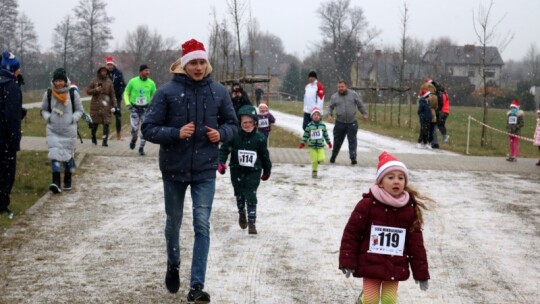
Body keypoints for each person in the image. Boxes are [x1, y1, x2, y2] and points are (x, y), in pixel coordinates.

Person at [141, 38, 238, 302]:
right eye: (193, 62)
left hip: (205, 169)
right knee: (173, 223)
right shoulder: (166, 92)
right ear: (184, 65)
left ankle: (197, 286)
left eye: (202, 62)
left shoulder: (218, 91)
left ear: (207, 64)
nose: (198, 67)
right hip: (174, 169)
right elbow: (148, 128)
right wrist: (175, 133)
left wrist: (221, 133)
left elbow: (233, 124)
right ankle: (173, 263)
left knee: (201, 224)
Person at [339, 151, 431, 304]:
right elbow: (352, 234)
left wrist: (421, 273)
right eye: (391, 177)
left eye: (401, 178)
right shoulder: (367, 204)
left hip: (395, 266)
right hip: (370, 263)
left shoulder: (409, 208)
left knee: (389, 301)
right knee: (371, 301)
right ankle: (364, 299)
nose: (397, 181)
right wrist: (347, 261)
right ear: (380, 182)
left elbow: (416, 244)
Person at [218, 105, 272, 235]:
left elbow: (265, 155)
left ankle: (252, 222)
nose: (247, 125)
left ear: (255, 122)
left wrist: (267, 170)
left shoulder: (260, 138)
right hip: (236, 170)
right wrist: (221, 162)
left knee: (251, 194)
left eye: (250, 122)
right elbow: (224, 149)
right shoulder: (234, 136)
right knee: (239, 193)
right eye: (244, 122)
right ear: (240, 123)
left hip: (254, 170)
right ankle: (242, 212)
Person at [40, 68, 83, 193]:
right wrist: (49, 118)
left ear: (65, 81)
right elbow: (43, 109)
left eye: (61, 81)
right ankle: (56, 182)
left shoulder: (72, 94)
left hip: (68, 130)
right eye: (56, 81)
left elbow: (80, 110)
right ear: (53, 81)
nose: (58, 83)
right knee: (55, 156)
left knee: (68, 156)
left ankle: (67, 181)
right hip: (53, 130)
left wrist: (72, 119)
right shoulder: (48, 93)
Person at [0, 50, 23, 219]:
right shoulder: (11, 88)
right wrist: (15, 140)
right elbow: (11, 117)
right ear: (14, 69)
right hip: (6, 139)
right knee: (7, 172)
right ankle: (2, 205)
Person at [327, 80, 368, 165]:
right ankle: (333, 156)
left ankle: (353, 158)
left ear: (346, 86)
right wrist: (329, 115)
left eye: (342, 87)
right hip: (339, 123)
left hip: (352, 122)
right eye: (339, 87)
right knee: (337, 141)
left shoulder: (353, 94)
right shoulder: (334, 97)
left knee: (352, 140)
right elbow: (330, 107)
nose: (340, 88)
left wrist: (364, 113)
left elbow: (360, 104)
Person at [124, 64, 156, 156]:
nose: (148, 72)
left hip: (145, 109)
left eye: (149, 71)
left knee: (145, 129)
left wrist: (152, 106)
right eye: (146, 70)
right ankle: (133, 139)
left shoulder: (151, 83)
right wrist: (128, 103)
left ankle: (141, 148)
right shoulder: (133, 81)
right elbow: (126, 92)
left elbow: (155, 95)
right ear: (141, 71)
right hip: (134, 108)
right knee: (135, 129)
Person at [86, 66, 117, 147]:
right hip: (95, 104)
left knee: (106, 123)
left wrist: (114, 105)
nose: (104, 72)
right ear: (99, 72)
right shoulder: (94, 80)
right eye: (102, 71)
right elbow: (88, 91)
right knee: (95, 123)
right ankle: (93, 138)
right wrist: (95, 90)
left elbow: (112, 94)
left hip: (106, 104)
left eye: (105, 71)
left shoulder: (109, 81)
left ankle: (105, 141)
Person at [299, 107, 332, 178]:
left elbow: (326, 135)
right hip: (312, 146)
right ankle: (314, 171)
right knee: (314, 160)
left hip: (320, 146)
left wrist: (329, 142)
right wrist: (302, 143)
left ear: (320, 117)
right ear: (312, 117)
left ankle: (318, 161)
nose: (316, 116)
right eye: (314, 115)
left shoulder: (322, 126)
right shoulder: (309, 126)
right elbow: (306, 135)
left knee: (321, 158)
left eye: (318, 115)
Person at [106, 56, 126, 140]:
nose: (109, 66)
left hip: (117, 97)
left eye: (111, 65)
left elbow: (123, 85)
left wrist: (119, 92)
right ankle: (105, 134)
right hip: (107, 98)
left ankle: (118, 133)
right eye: (108, 65)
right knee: (106, 115)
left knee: (117, 115)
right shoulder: (104, 73)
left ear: (113, 64)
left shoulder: (118, 73)